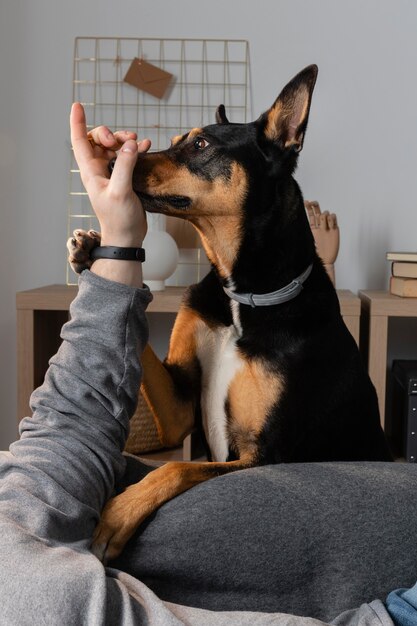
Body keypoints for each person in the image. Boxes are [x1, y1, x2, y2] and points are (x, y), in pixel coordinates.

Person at [0, 102, 416, 626]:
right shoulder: (204, 304)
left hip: (345, 548)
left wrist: (163, 480)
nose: (169, 158)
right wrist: (112, 276)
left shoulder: (308, 336)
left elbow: (258, 470)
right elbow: (174, 418)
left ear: (276, 153)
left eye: (199, 149)